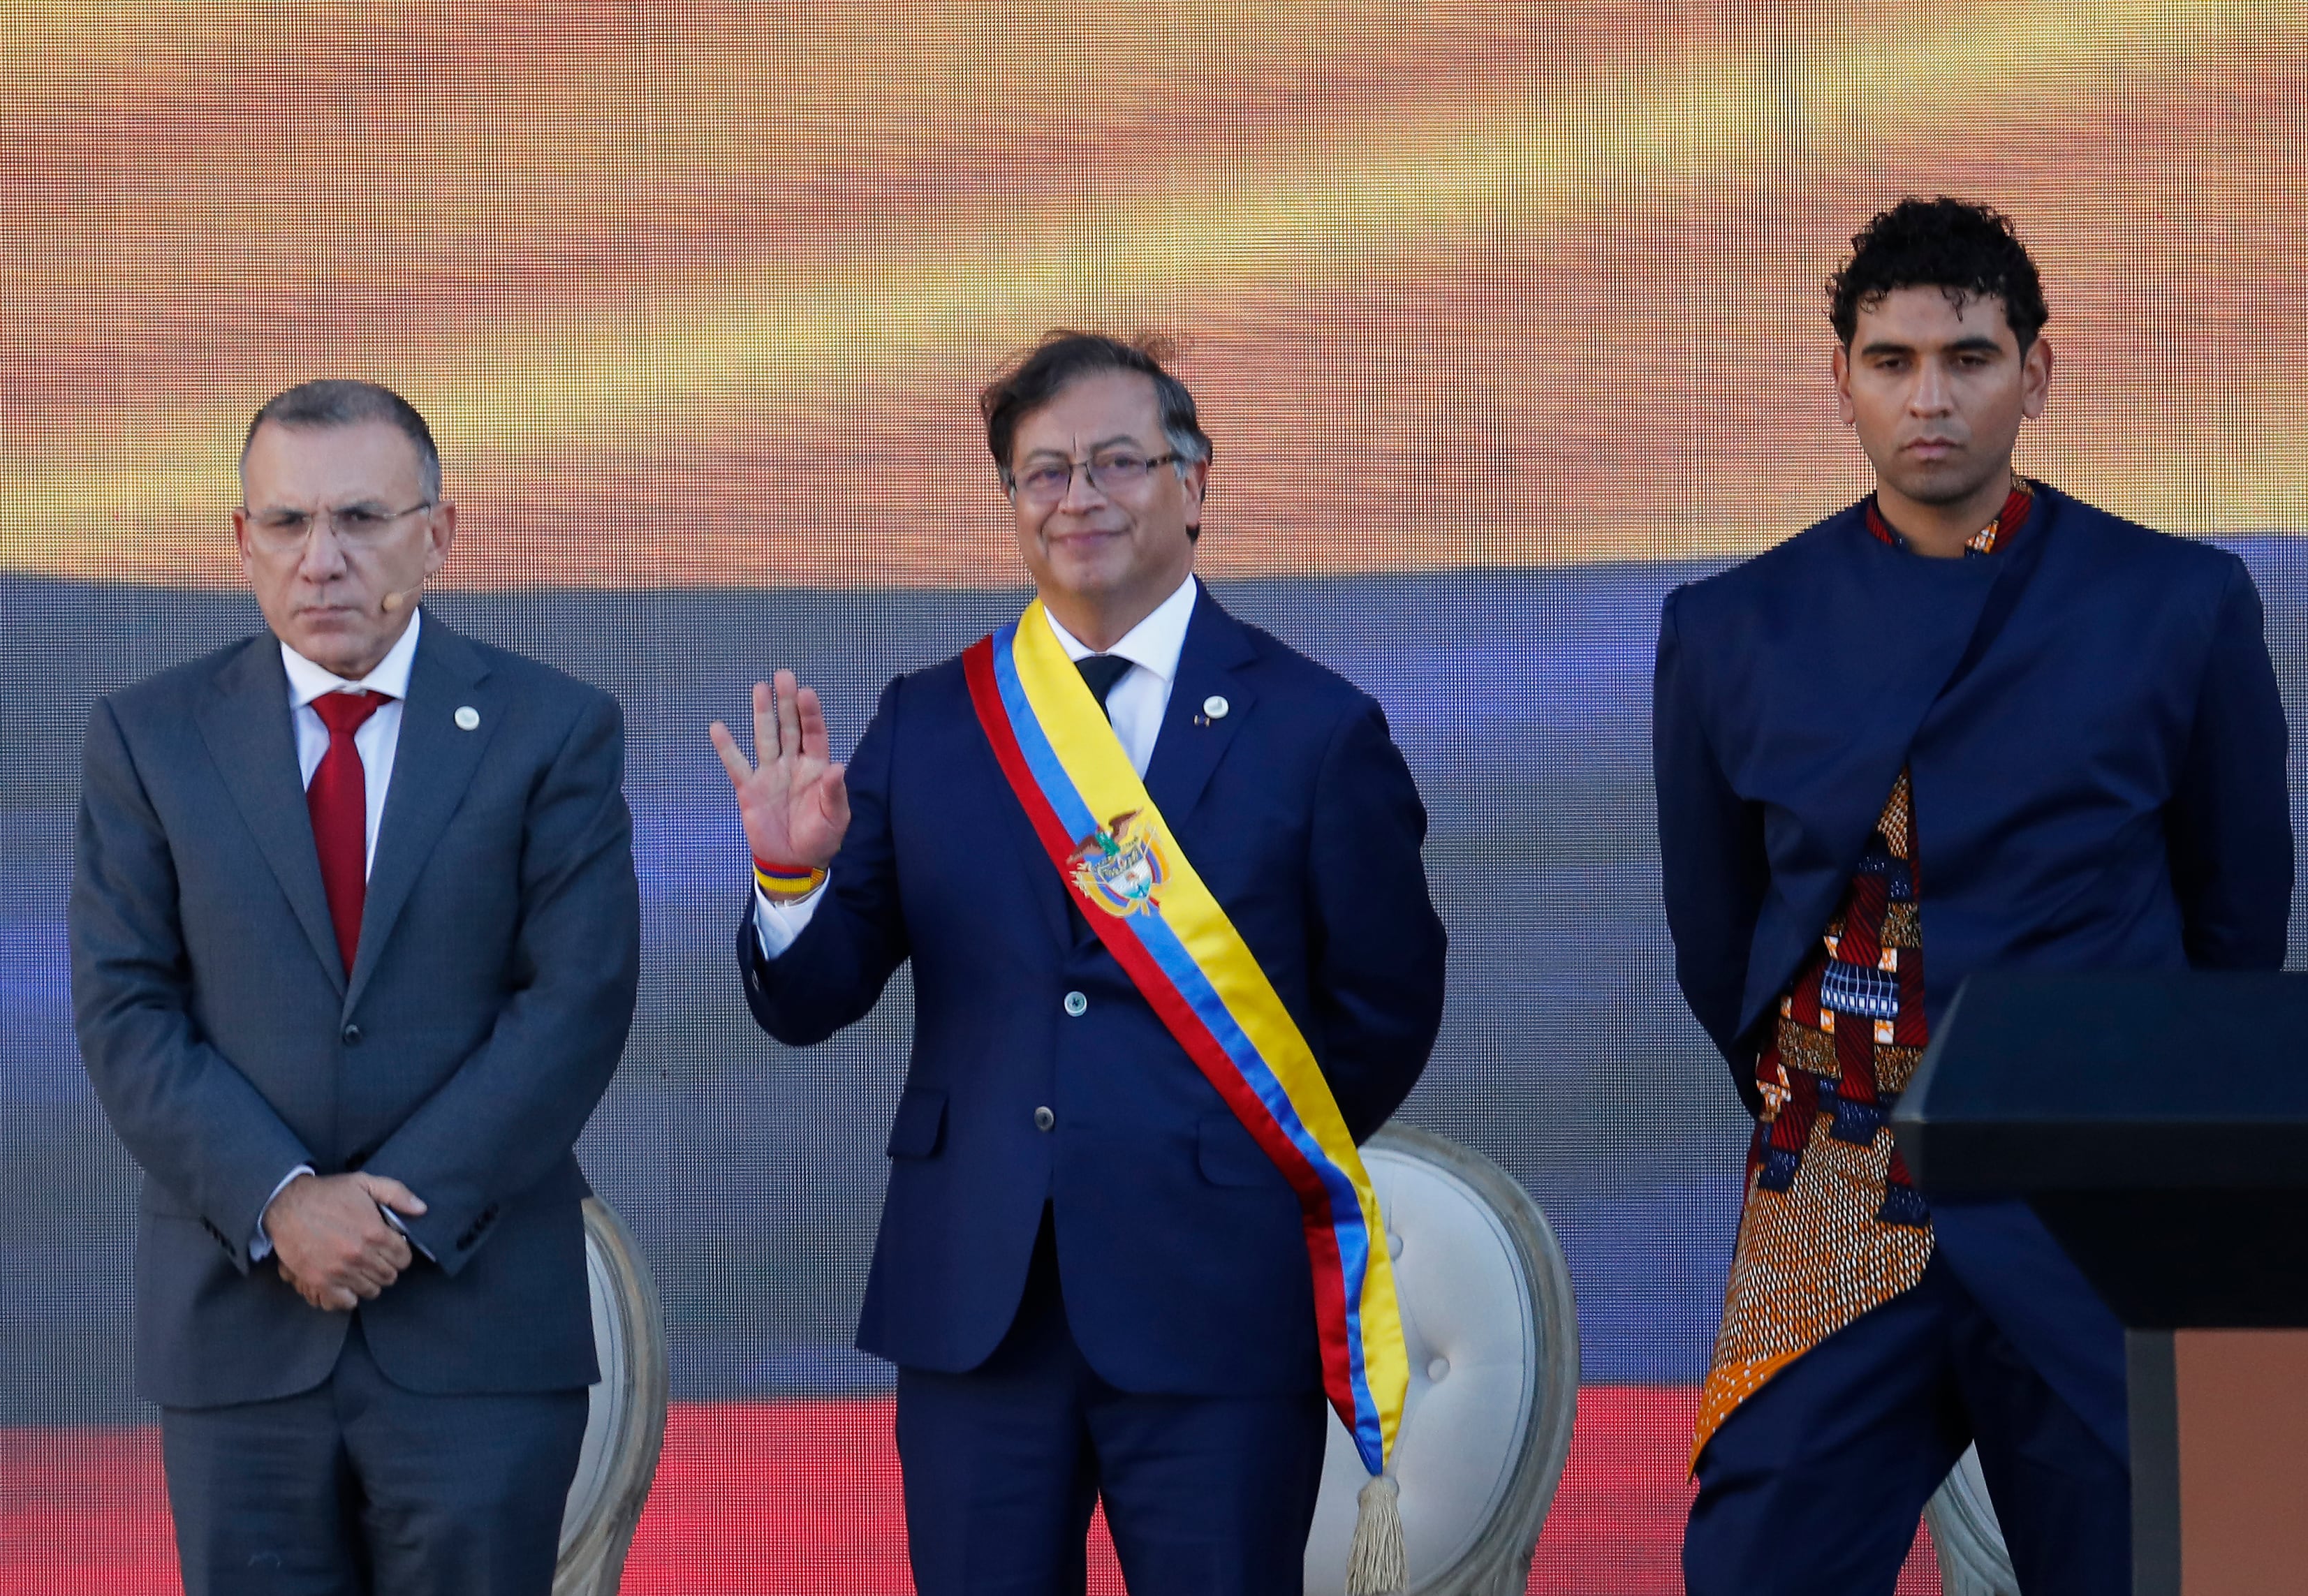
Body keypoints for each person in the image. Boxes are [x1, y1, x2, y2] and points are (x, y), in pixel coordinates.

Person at [712, 332, 1448, 1595]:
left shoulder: (1315, 726)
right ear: (1012, 504)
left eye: (1119, 461)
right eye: (1043, 472)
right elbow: (814, 997)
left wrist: (1224, 1154)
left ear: (1195, 484)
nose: (1079, 496)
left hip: (1215, 1298)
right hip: (976, 1300)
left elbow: (1385, 1004)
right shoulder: (934, 718)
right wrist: (791, 877)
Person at [1655, 198, 2292, 1595]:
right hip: (1833, 1172)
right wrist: (1836, 1094)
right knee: (1755, 1564)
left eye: (1968, 357)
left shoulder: (2176, 603)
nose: (1928, 398)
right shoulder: (1731, 624)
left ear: (2037, 374)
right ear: (1841, 382)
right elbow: (1721, 942)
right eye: (1890, 362)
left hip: (2095, 1195)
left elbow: (2238, 922)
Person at [71, 380, 640, 1595]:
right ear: (242, 542)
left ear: (439, 533)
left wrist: (392, 1215)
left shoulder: (555, 728)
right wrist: (282, 1200)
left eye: (362, 519)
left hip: (479, 1333)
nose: (321, 560)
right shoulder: (148, 736)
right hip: (241, 1331)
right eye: (285, 524)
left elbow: (575, 1001)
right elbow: (128, 1007)